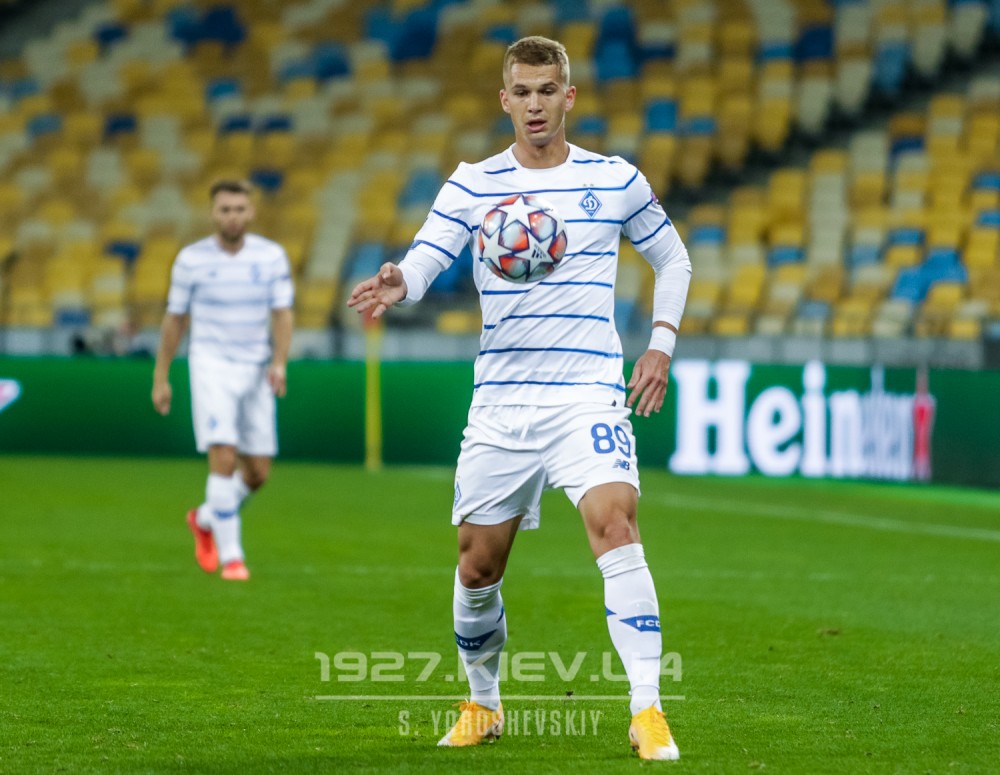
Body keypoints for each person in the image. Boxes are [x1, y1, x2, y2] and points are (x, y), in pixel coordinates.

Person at [349, 37, 692, 759]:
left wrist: (660, 343)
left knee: (616, 523)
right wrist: (400, 282)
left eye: (547, 90)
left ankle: (648, 708)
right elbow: (427, 256)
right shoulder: (473, 184)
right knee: (478, 566)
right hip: (502, 402)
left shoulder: (614, 179)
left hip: (586, 393)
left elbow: (673, 257)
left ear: (570, 96)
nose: (535, 104)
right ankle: (483, 701)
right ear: (504, 100)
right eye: (523, 92)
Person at [152, 179, 294, 582]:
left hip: (256, 367)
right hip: (210, 365)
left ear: (251, 212)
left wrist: (279, 362)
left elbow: (282, 313)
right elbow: (175, 319)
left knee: (257, 472)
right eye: (225, 209)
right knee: (224, 455)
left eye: (239, 209)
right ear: (213, 213)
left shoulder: (271, 256)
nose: (233, 216)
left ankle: (204, 518)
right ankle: (233, 557)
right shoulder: (191, 260)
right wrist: (161, 376)